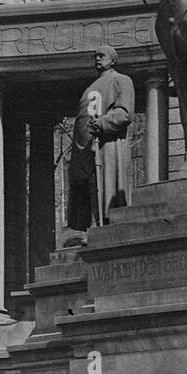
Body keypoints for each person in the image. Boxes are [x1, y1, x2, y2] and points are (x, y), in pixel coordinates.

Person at [65, 46, 135, 234]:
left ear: (113, 60)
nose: (97, 59)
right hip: (84, 148)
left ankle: (103, 228)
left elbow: (124, 113)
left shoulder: (121, 80)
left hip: (106, 145)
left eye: (102, 56)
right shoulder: (90, 87)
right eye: (95, 56)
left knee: (105, 187)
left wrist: (103, 123)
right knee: (88, 187)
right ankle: (90, 227)